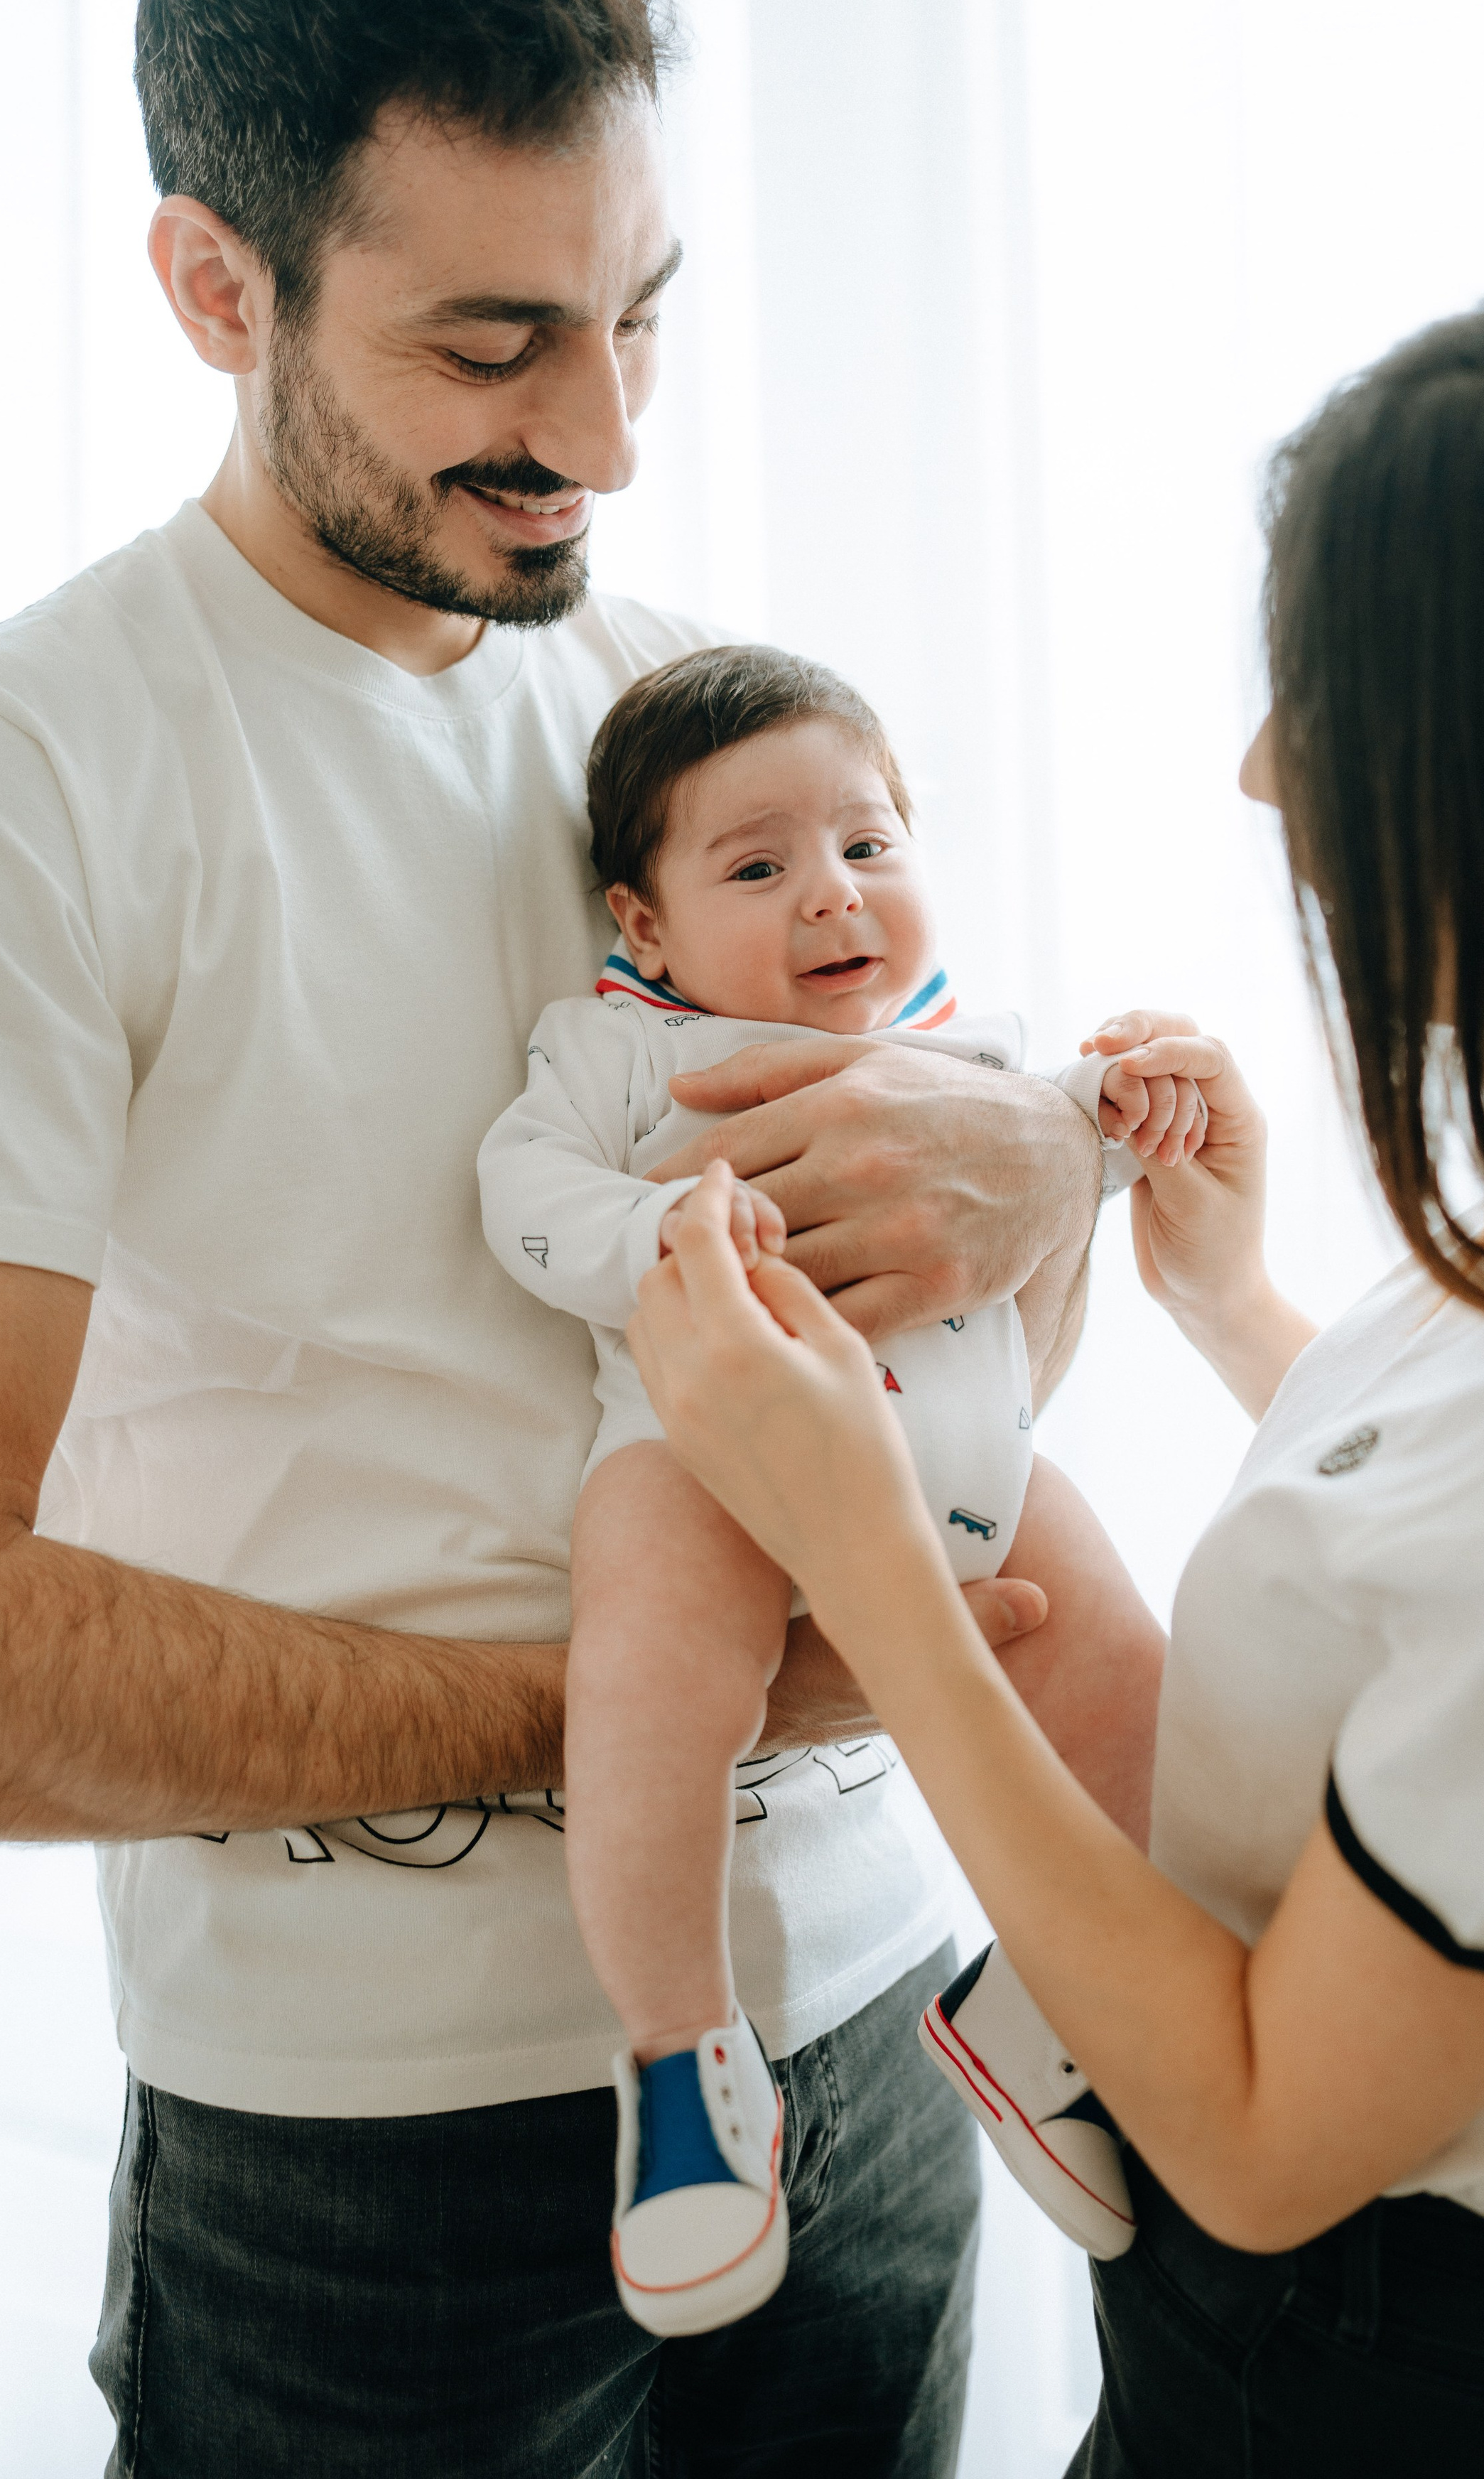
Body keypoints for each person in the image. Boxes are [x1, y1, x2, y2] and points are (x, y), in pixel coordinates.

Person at [0, 0, 1122, 2479]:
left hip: (882, 2023)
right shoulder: (2, 781)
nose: (598, 433)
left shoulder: (696, 716)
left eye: (639, 317)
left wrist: (1047, 1156)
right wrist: (626, 1719)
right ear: (215, 285)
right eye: (491, 347)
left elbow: (944, 1204)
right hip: (365, 2159)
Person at [625, 274, 1484, 2475]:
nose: (1257, 766)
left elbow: (1241, 2132)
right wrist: (1234, 1307)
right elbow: (1472, 1608)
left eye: (1322, 692)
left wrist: (875, 1559)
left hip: (1403, 2380)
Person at [478, 644, 1192, 2330]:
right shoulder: (622, 1050)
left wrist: (1122, 1103)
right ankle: (680, 2064)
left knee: (1133, 1690)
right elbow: (518, 1200)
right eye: (756, 866)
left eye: (868, 848)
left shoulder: (975, 1045)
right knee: (649, 1686)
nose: (831, 897)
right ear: (641, 925)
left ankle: (1039, 2001)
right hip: (702, 1467)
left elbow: (1070, 1146)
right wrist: (657, 1228)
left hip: (963, 1474)